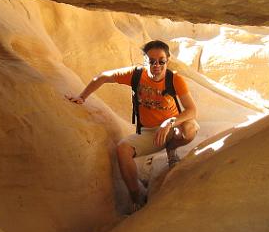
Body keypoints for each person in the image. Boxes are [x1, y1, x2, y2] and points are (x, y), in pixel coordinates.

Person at [67, 40, 199, 210]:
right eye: (151, 61)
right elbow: (102, 77)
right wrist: (82, 97)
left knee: (189, 129)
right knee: (123, 149)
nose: (156, 65)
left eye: (161, 61)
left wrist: (169, 122)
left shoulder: (175, 80)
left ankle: (171, 150)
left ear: (168, 60)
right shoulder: (135, 75)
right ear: (145, 60)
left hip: (172, 128)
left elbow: (192, 110)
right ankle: (137, 197)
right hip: (149, 133)